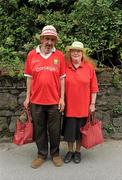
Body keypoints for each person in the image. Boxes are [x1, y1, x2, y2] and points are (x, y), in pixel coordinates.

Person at [23, 25, 66, 168]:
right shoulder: (31, 55)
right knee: (39, 129)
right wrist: (27, 97)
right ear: (41, 39)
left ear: (55, 41)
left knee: (54, 130)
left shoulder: (59, 55)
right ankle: (41, 155)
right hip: (36, 100)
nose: (49, 42)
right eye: (47, 38)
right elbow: (29, 78)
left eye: (52, 39)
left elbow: (62, 78)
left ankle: (55, 154)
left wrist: (62, 98)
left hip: (54, 101)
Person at [63, 41, 99, 164]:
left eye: (78, 51)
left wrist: (92, 104)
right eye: (73, 51)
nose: (76, 53)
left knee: (80, 132)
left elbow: (94, 88)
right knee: (69, 131)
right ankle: (70, 151)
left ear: (82, 53)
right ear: (70, 53)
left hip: (84, 107)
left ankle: (77, 151)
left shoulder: (89, 67)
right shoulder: (65, 66)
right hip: (69, 106)